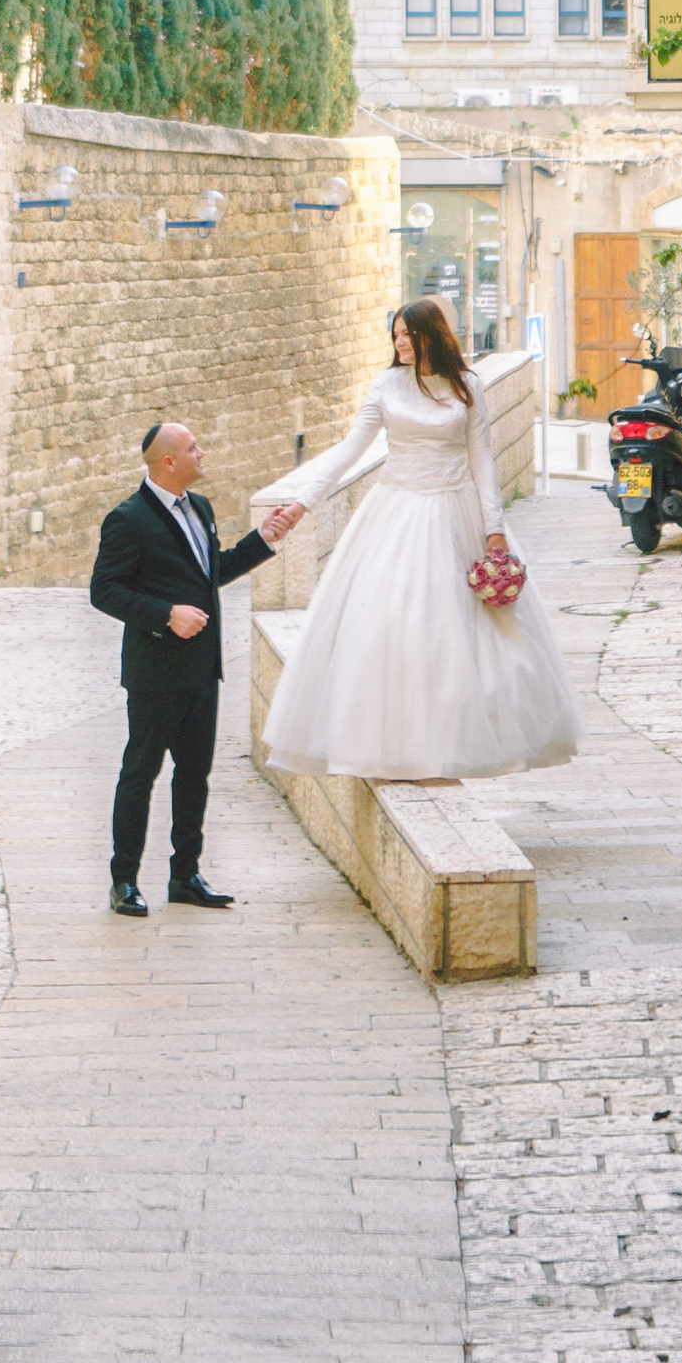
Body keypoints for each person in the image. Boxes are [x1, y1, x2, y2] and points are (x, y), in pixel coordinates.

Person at [255, 297, 582, 783]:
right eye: (395, 336)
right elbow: (349, 450)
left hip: (457, 514)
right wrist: (303, 503)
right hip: (396, 512)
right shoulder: (386, 384)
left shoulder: (467, 386)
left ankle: (446, 744)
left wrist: (494, 530)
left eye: (408, 335)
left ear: (433, 335)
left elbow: (483, 460)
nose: (401, 343)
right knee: (396, 627)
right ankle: (393, 746)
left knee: (457, 637)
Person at [88, 417, 302, 917]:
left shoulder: (200, 508)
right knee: (140, 774)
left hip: (203, 671)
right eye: (193, 447)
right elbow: (105, 590)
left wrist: (262, 539)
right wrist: (165, 615)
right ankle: (124, 881)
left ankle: (185, 875)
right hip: (155, 672)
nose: (202, 453)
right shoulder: (128, 519)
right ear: (168, 461)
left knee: (194, 774)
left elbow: (211, 574)